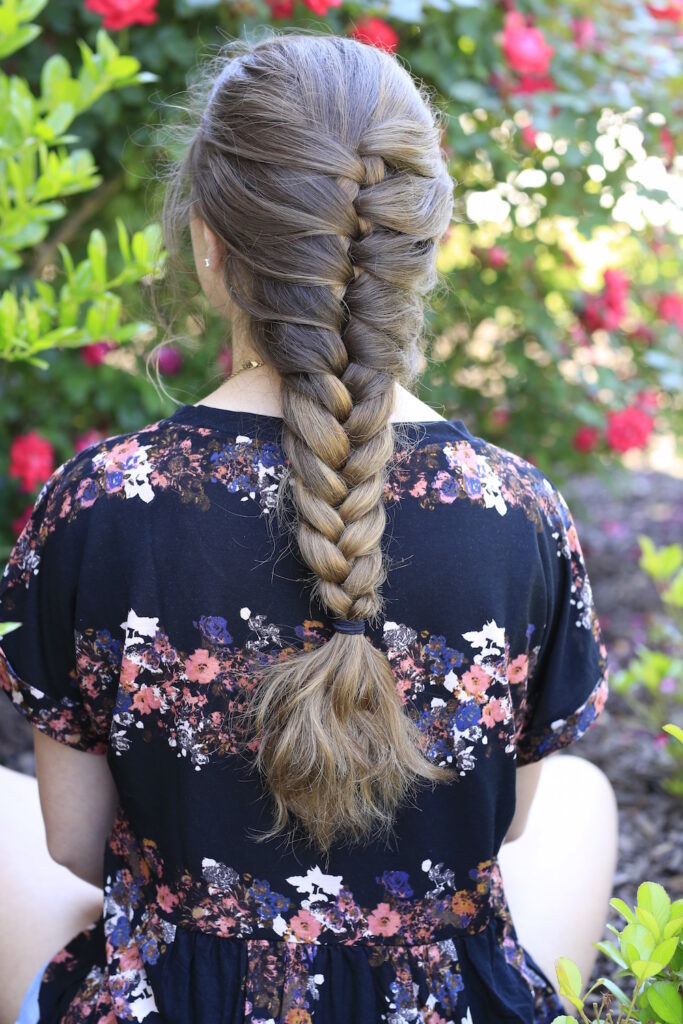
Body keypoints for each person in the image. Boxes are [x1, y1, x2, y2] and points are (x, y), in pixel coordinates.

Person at [0, 29, 618, 1024]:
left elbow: (74, 847)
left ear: (207, 239)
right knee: (581, 796)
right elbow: (503, 829)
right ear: (414, 248)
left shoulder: (100, 499)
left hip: (172, 1000)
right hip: (435, 1005)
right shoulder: (516, 511)